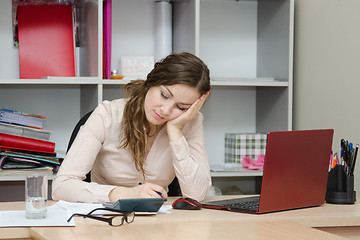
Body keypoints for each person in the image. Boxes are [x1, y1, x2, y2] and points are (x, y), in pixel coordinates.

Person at [52, 52, 212, 203]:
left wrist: (175, 131)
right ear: (152, 81)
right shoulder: (107, 115)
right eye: (164, 95)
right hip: (105, 220)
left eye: (181, 107)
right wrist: (121, 194)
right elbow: (61, 187)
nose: (166, 110)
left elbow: (196, 195)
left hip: (159, 223)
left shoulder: (191, 122)